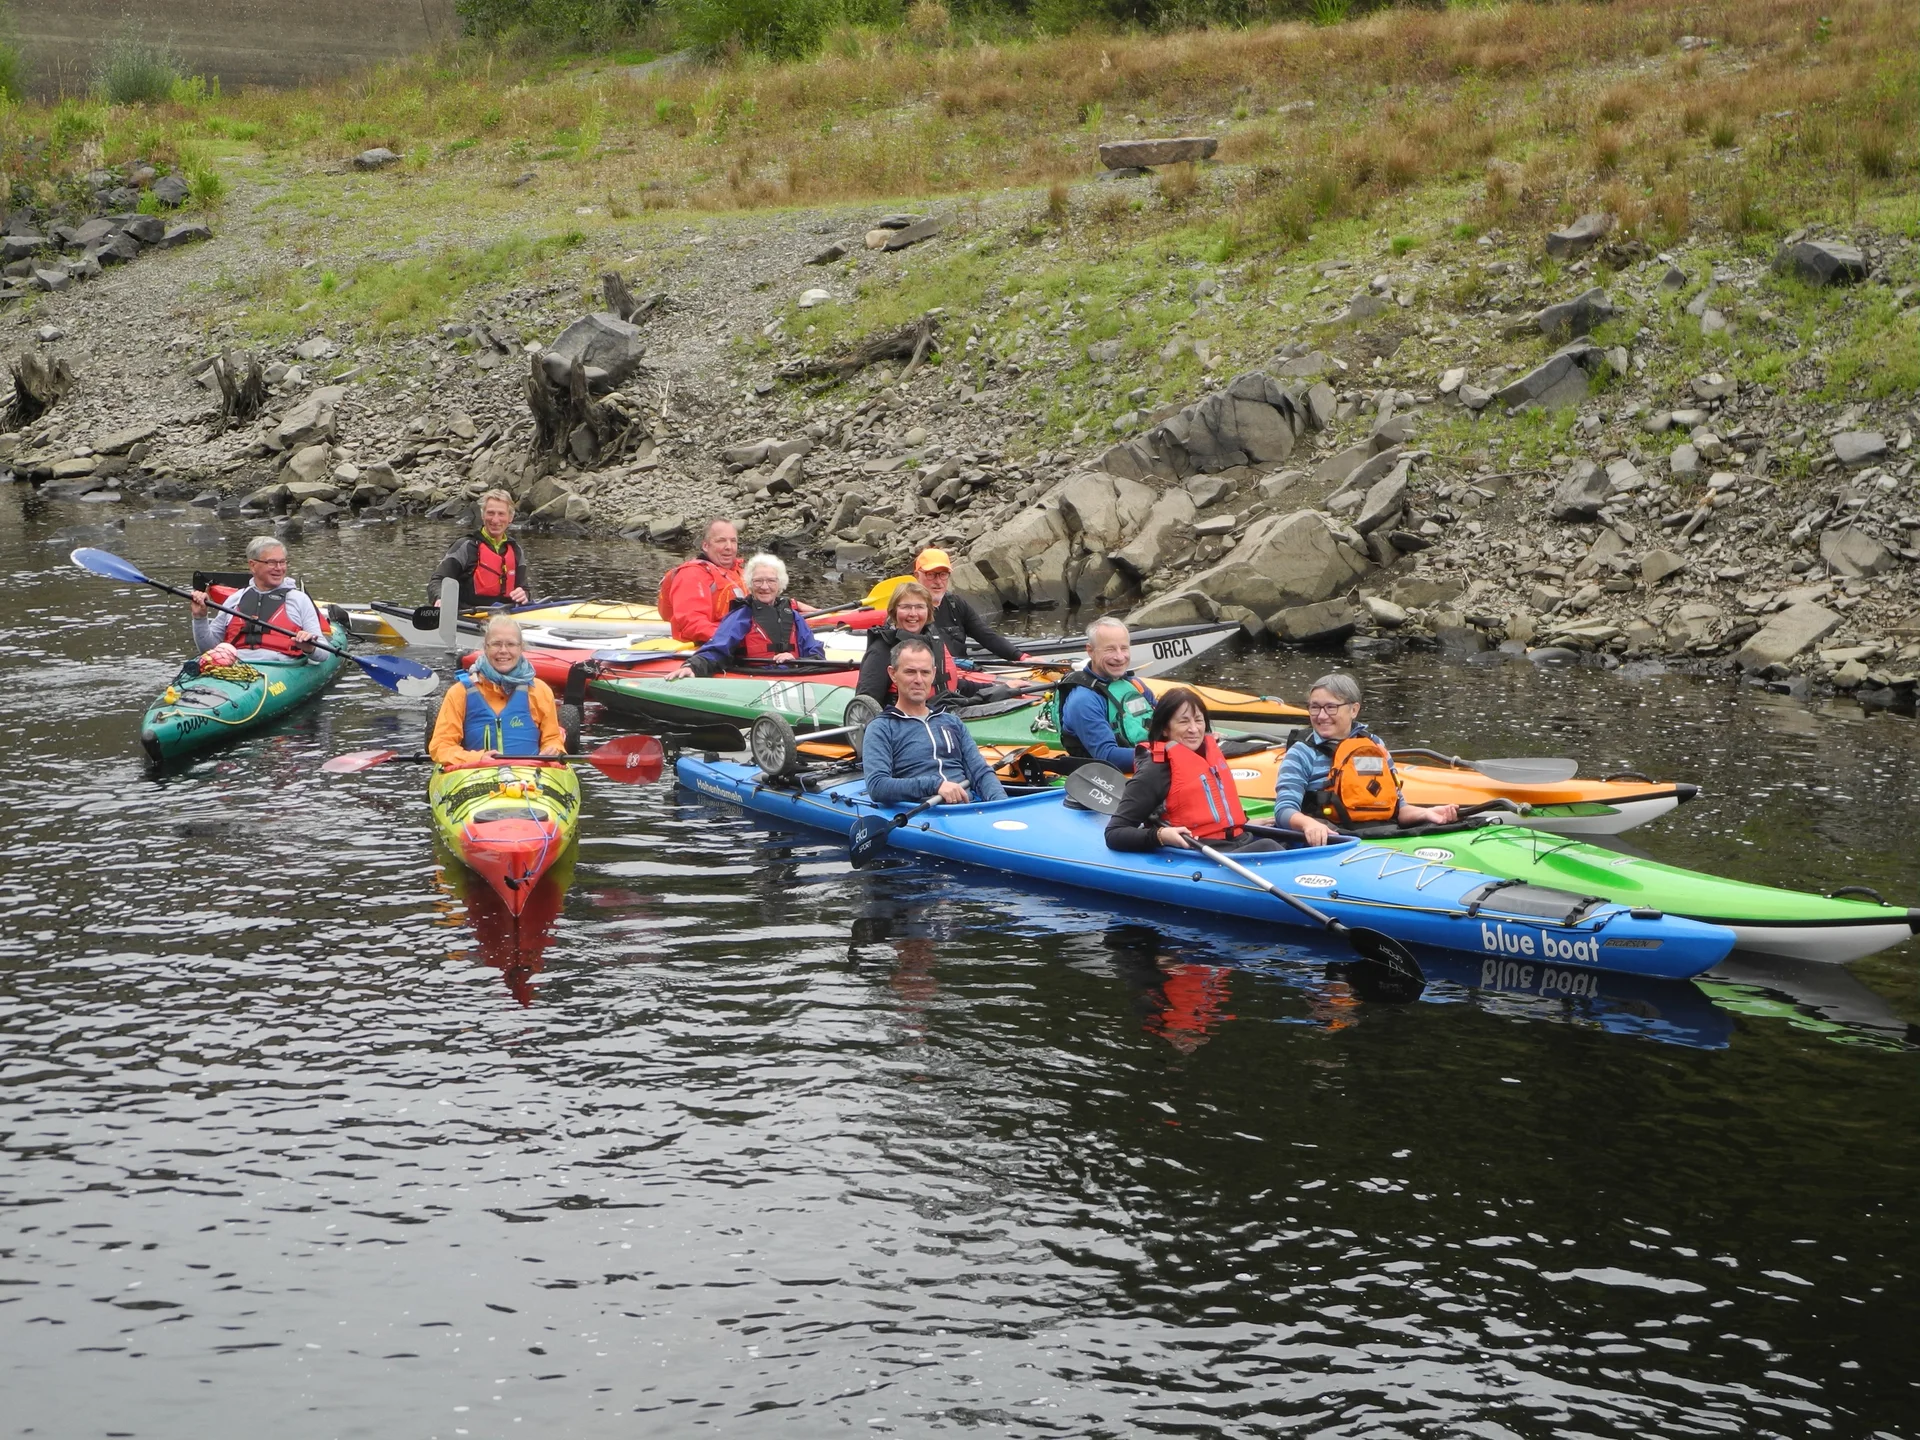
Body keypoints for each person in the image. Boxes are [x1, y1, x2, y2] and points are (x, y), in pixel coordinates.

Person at [1274, 672, 1459, 845]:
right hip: (1334, 841)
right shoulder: (1301, 752)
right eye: (1315, 707)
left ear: (1354, 710)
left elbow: (1399, 808)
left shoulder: (1375, 745)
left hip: (1379, 838)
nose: (1321, 716)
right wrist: (1308, 824)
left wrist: (1426, 813)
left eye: (1331, 707)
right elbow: (1284, 810)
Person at [1104, 688, 1280, 854]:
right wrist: (1160, 836)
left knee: (1284, 836)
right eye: (1183, 721)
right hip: (1204, 853)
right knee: (1269, 846)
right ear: (1165, 728)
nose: (1194, 729)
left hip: (1236, 841)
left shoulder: (1208, 756)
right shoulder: (1155, 771)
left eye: (1198, 720)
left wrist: (1244, 824)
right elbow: (1114, 834)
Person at [861, 636, 1009, 807]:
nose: (918, 680)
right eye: (910, 672)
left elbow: (981, 773)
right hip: (924, 815)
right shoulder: (881, 728)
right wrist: (935, 785)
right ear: (893, 674)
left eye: (925, 672)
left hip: (967, 811)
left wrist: (1001, 807)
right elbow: (877, 786)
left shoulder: (952, 722)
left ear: (933, 674)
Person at [428, 615, 567, 766]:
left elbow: (553, 739)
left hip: (530, 778)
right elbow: (441, 747)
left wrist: (552, 749)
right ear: (485, 647)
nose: (503, 651)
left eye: (511, 644)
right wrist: (477, 759)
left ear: (521, 648)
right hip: (476, 776)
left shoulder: (540, 691)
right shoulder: (459, 692)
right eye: (496, 644)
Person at [669, 553, 825, 678]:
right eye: (758, 581)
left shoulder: (793, 616)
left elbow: (815, 653)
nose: (765, 587)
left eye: (771, 581)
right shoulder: (742, 615)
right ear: (750, 584)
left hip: (794, 674)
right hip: (757, 677)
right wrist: (693, 666)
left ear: (779, 585)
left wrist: (796, 661)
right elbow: (718, 647)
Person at [855, 581, 995, 709]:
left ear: (928, 612)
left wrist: (995, 688)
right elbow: (867, 705)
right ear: (894, 611)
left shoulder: (932, 641)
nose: (913, 614)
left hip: (945, 712)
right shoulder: (881, 650)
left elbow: (953, 684)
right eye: (906, 607)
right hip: (903, 722)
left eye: (920, 607)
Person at [189, 536, 323, 666]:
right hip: (236, 666)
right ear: (253, 565)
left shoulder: (299, 599)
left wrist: (309, 648)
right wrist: (200, 618)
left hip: (280, 668)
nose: (279, 568)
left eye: (282, 562)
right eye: (271, 562)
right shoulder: (235, 599)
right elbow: (208, 649)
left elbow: (324, 654)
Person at [1053, 617, 1156, 773]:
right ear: (1090, 651)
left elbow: (1167, 722)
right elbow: (1107, 756)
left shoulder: (1134, 684)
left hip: (1148, 760)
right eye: (1110, 649)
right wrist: (1163, 755)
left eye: (1124, 648)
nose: (1120, 657)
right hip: (1106, 778)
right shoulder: (1083, 700)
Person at [913, 547, 1034, 665]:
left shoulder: (955, 604)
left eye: (943, 574)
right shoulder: (909, 612)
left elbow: (986, 636)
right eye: (931, 574)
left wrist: (1021, 657)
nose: (938, 581)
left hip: (963, 672)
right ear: (917, 576)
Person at [428, 489, 530, 608]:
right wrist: (440, 598)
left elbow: (525, 590)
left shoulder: (516, 550)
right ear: (483, 515)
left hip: (505, 618)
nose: (495, 520)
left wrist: (525, 595)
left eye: (501, 514)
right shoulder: (465, 547)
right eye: (490, 513)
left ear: (510, 518)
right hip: (468, 616)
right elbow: (437, 581)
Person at [657, 519, 747, 645]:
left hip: (735, 638)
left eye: (733, 541)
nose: (729, 547)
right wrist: (739, 639)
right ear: (705, 546)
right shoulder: (691, 575)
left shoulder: (739, 572)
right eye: (721, 541)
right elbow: (693, 625)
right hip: (704, 648)